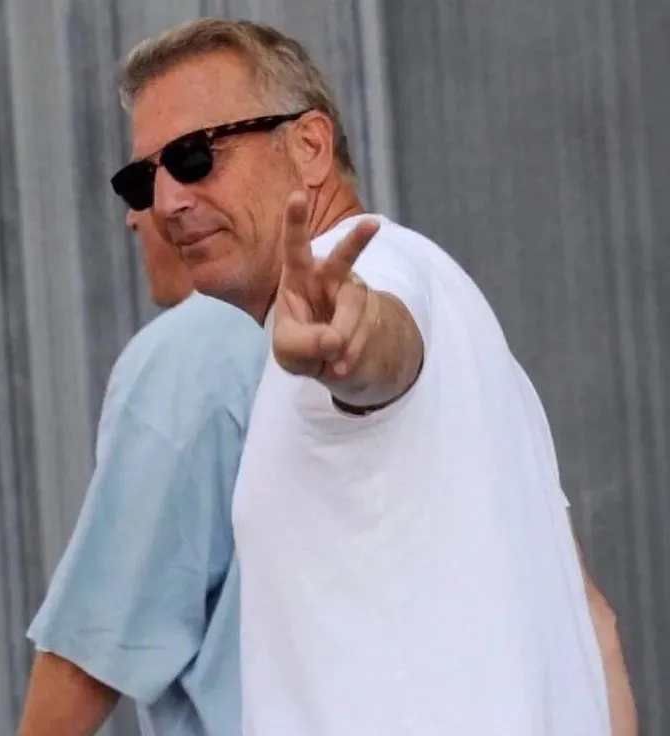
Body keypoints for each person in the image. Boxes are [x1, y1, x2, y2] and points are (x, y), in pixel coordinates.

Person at [113, 18, 638, 735]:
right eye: (144, 178)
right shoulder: (460, 313)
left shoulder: (371, 278)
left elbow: (378, 352)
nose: (168, 202)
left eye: (195, 156)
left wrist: (347, 345)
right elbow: (595, 624)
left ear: (309, 146)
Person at [19, 217, 636, 736]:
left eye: (177, 168)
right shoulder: (471, 337)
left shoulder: (187, 359)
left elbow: (87, 658)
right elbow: (594, 623)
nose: (141, 212)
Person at [18, 209, 268, 736]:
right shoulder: (405, 292)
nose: (133, 217)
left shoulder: (194, 351)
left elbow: (94, 644)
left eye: (144, 183)